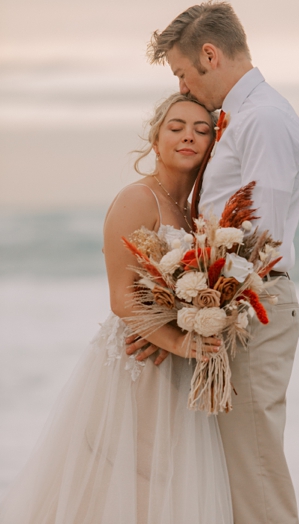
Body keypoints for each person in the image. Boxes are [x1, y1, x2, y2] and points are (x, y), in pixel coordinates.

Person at [0, 95, 232, 523]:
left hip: (175, 361)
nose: (188, 136)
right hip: (136, 362)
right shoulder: (137, 198)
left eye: (202, 130)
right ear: (156, 138)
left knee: (166, 482)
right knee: (124, 481)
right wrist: (178, 342)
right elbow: (121, 297)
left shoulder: (196, 211)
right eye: (176, 126)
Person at [141, 0, 299, 524]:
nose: (183, 88)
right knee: (234, 471)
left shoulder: (265, 119)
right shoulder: (241, 118)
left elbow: (263, 236)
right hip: (233, 305)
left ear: (210, 55)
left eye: (184, 74)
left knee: (254, 472)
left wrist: (202, 306)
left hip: (251, 309)